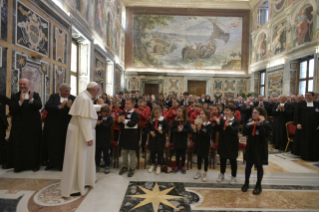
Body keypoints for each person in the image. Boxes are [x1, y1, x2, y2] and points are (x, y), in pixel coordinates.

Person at [60, 82, 101, 197]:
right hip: (81, 134)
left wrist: (99, 107)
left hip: (79, 132)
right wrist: (89, 137)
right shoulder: (86, 99)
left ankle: (84, 181)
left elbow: (85, 112)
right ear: (94, 90)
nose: (97, 94)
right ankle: (75, 187)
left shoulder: (83, 95)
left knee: (83, 159)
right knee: (78, 159)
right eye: (97, 92)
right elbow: (84, 121)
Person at [6, 78, 42, 172]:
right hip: (20, 127)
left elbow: (39, 106)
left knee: (33, 146)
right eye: (21, 84)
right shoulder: (15, 96)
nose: (22, 86)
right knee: (19, 146)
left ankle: (34, 165)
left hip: (33, 126)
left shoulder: (35, 95)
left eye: (24, 84)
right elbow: (12, 110)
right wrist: (20, 101)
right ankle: (19, 166)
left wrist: (31, 100)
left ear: (29, 85)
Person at [43, 84, 75, 171]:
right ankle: (52, 163)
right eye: (66, 91)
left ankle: (63, 164)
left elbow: (76, 111)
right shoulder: (54, 97)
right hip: (53, 125)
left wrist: (69, 107)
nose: (67, 93)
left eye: (69, 91)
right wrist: (59, 107)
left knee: (64, 144)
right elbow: (47, 107)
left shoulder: (73, 98)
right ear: (60, 90)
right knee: (52, 144)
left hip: (66, 125)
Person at [242, 107, 271, 195]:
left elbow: (265, 135)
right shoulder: (250, 122)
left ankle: (258, 185)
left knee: (259, 166)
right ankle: (246, 183)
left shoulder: (267, 124)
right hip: (250, 146)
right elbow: (244, 133)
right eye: (253, 112)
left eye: (256, 113)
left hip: (260, 148)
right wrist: (247, 125)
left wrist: (261, 124)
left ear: (261, 115)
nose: (253, 114)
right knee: (248, 166)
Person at [214, 104, 239, 184]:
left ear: (232, 112)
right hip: (223, 143)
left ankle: (233, 176)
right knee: (223, 159)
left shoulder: (236, 121)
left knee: (233, 160)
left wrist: (228, 125)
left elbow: (235, 132)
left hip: (232, 144)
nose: (225, 112)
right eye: (224, 110)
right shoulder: (221, 120)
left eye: (227, 110)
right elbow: (217, 130)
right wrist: (217, 124)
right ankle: (221, 174)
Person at [292, 92, 319, 161]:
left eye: (309, 95)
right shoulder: (300, 104)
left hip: (314, 127)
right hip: (303, 126)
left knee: (314, 141)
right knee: (304, 140)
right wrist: (297, 123)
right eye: (306, 95)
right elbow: (296, 114)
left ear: (313, 96)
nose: (307, 96)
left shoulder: (317, 104)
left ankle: (314, 156)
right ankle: (304, 155)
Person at [117, 98, 140, 177]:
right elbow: (119, 122)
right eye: (125, 104)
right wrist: (119, 120)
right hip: (124, 135)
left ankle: (132, 167)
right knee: (124, 151)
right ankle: (124, 166)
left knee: (132, 152)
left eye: (128, 104)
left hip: (132, 136)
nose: (126, 105)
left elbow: (132, 123)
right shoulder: (123, 112)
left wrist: (124, 121)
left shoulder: (135, 114)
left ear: (133, 105)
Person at [147, 106, 169, 175]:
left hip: (160, 138)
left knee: (160, 152)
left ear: (160, 112)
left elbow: (167, 129)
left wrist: (162, 131)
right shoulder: (151, 120)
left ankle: (159, 165)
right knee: (153, 151)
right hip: (153, 138)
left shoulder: (164, 120)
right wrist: (150, 132)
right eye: (154, 113)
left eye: (157, 113)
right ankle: (153, 164)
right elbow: (147, 128)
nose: (155, 115)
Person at [192, 109, 213, 182]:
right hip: (198, 142)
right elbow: (196, 133)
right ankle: (198, 171)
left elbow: (207, 135)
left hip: (205, 143)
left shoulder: (209, 125)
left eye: (202, 114)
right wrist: (194, 129)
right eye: (200, 114)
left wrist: (200, 129)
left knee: (205, 158)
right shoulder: (199, 123)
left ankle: (205, 173)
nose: (200, 115)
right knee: (199, 157)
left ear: (207, 116)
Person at [171, 106, 191, 174]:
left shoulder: (187, 121)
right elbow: (172, 129)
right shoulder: (175, 120)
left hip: (183, 140)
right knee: (177, 153)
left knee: (183, 154)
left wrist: (182, 130)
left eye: (179, 111)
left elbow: (189, 130)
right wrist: (177, 130)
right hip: (177, 139)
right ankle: (177, 165)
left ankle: (182, 166)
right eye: (178, 111)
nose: (178, 112)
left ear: (183, 113)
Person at [95, 106, 113, 174]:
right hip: (98, 137)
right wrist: (97, 123)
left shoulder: (110, 118)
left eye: (105, 112)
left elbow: (108, 126)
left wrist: (101, 123)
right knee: (97, 153)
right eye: (102, 111)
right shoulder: (98, 117)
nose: (103, 113)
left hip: (106, 138)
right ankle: (97, 165)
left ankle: (107, 165)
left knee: (106, 153)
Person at [0, 94, 10, 168]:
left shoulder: (1, 97)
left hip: (1, 123)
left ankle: (3, 161)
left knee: (2, 142)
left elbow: (12, 104)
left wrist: (10, 114)